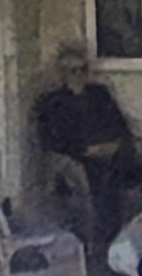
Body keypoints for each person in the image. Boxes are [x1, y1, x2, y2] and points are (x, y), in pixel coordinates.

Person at [33, 44, 135, 247]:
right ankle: (99, 242)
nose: (79, 75)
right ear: (63, 74)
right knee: (94, 180)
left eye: (83, 69)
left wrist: (114, 145)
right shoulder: (52, 103)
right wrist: (85, 151)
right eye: (73, 71)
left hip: (110, 153)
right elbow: (51, 141)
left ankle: (130, 237)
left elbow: (120, 126)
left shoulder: (99, 95)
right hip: (78, 158)